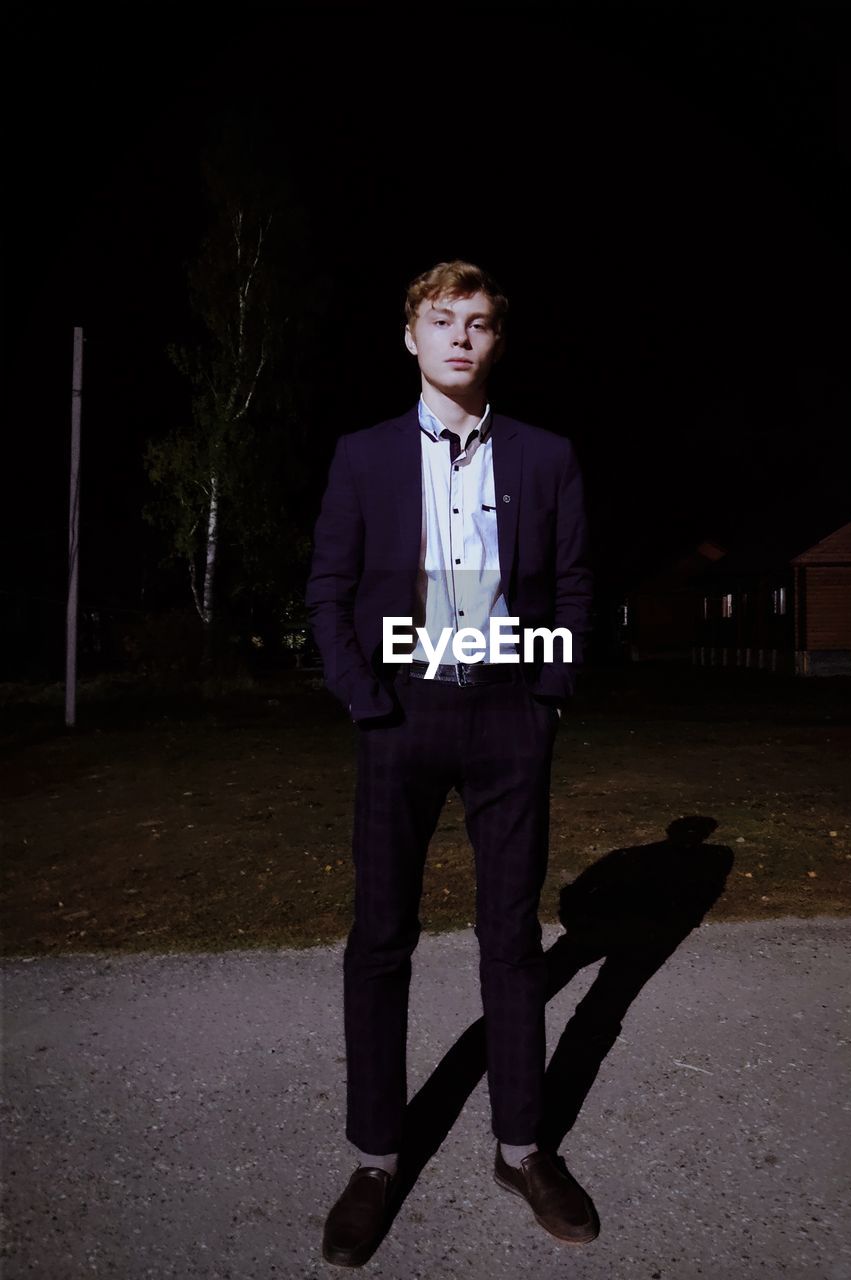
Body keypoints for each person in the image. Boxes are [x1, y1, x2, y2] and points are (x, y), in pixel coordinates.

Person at [306, 260, 593, 1266]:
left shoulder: (547, 456)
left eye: (478, 322)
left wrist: (547, 700)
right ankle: (376, 1156)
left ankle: (523, 1147)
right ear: (412, 338)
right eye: (442, 319)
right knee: (381, 936)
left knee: (511, 941)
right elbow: (328, 590)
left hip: (511, 712)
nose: (461, 336)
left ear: (496, 342)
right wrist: (364, 698)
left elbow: (572, 584)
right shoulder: (363, 457)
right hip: (401, 711)